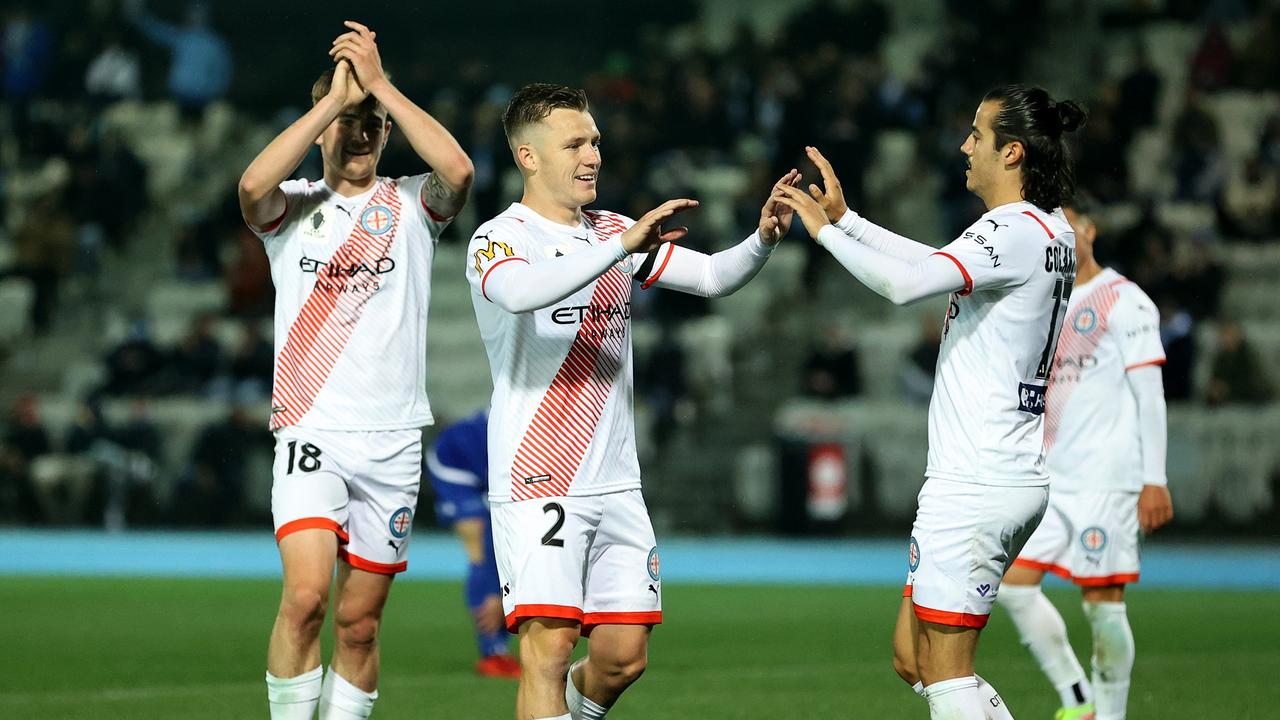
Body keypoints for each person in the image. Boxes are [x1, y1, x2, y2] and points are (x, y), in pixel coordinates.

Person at [467, 82, 799, 720]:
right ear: (528, 156)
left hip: (616, 479)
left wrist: (761, 239)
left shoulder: (617, 230)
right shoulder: (500, 237)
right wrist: (617, 249)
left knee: (623, 657)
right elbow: (517, 293)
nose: (592, 155)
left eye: (595, 140)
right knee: (551, 647)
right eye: (574, 143)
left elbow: (708, 277)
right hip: (541, 478)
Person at [773, 84, 1086, 720]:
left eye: (978, 134)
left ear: (1013, 153)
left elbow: (904, 284)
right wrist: (848, 222)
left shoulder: (1013, 228)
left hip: (977, 479)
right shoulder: (1047, 229)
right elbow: (937, 264)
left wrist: (822, 236)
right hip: (997, 472)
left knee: (946, 675)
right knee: (910, 658)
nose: (965, 146)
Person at [237, 21, 473, 720]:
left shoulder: (410, 207)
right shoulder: (295, 208)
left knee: (359, 624)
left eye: (372, 124)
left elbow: (458, 172)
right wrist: (332, 102)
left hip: (394, 439)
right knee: (307, 598)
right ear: (321, 131)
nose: (361, 133)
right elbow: (252, 185)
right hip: (313, 429)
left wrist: (377, 89)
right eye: (347, 124)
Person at [997, 196, 1174, 720]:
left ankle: (1111, 714)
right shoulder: (1044, 303)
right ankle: (1078, 697)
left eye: (1070, 225)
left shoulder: (1126, 300)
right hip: (1052, 479)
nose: (1063, 236)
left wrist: (1154, 479)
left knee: (1102, 607)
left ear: (1091, 230)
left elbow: (1151, 395)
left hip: (1106, 480)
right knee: (1012, 586)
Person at [423, 409, 521, 679]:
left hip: (490, 465)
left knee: (507, 541)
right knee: (478, 544)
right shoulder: (522, 429)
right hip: (454, 461)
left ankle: (500, 634)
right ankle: (493, 651)